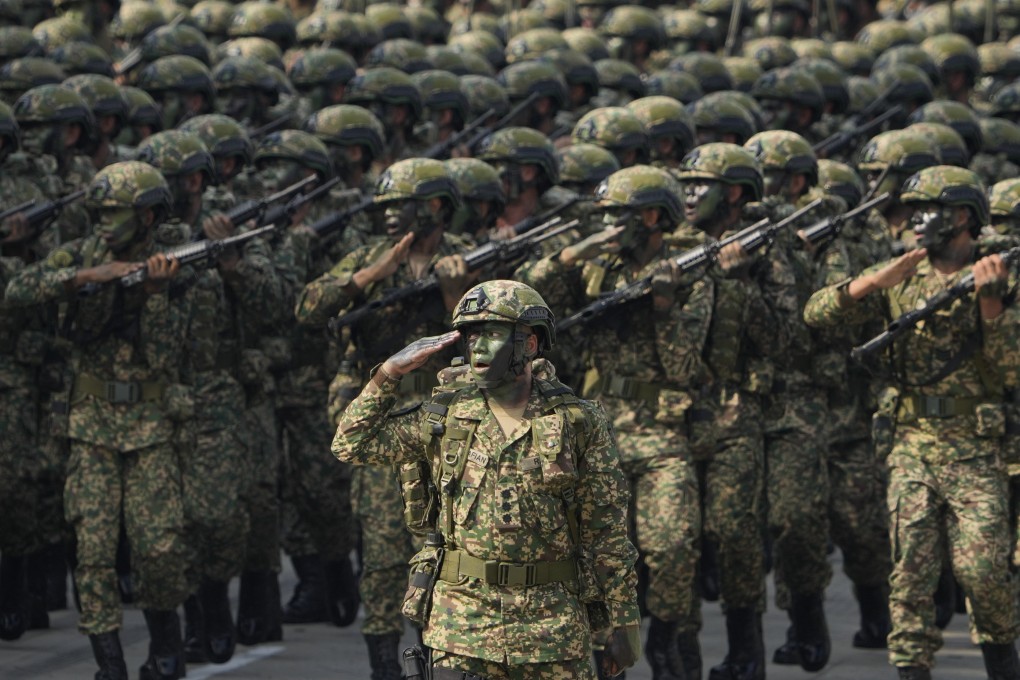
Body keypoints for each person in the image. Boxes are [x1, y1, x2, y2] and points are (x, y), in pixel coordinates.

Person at [331, 280, 641, 679]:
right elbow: (350, 445)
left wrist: (624, 619)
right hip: (462, 628)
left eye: (491, 334)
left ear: (529, 344)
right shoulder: (442, 417)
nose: (476, 346)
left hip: (552, 629)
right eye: (470, 335)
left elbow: (607, 531)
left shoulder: (577, 422)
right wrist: (388, 373)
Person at [804, 165, 1020, 680]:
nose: (914, 221)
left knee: (985, 571)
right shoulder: (900, 275)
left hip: (976, 446)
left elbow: (1011, 369)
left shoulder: (1001, 277)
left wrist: (993, 305)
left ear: (963, 216)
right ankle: (912, 668)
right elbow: (816, 316)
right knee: (911, 577)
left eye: (929, 211)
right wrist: (873, 282)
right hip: (911, 446)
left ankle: (1003, 663)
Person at [4, 160, 192, 680]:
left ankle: (166, 652)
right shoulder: (82, 254)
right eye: (98, 213)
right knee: (92, 552)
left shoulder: (173, 264)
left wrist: (154, 297)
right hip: (91, 428)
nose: (104, 224)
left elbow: (165, 356)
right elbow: (17, 292)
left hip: (150, 426)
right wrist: (88, 276)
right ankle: (109, 665)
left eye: (116, 213)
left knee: (158, 548)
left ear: (149, 215)